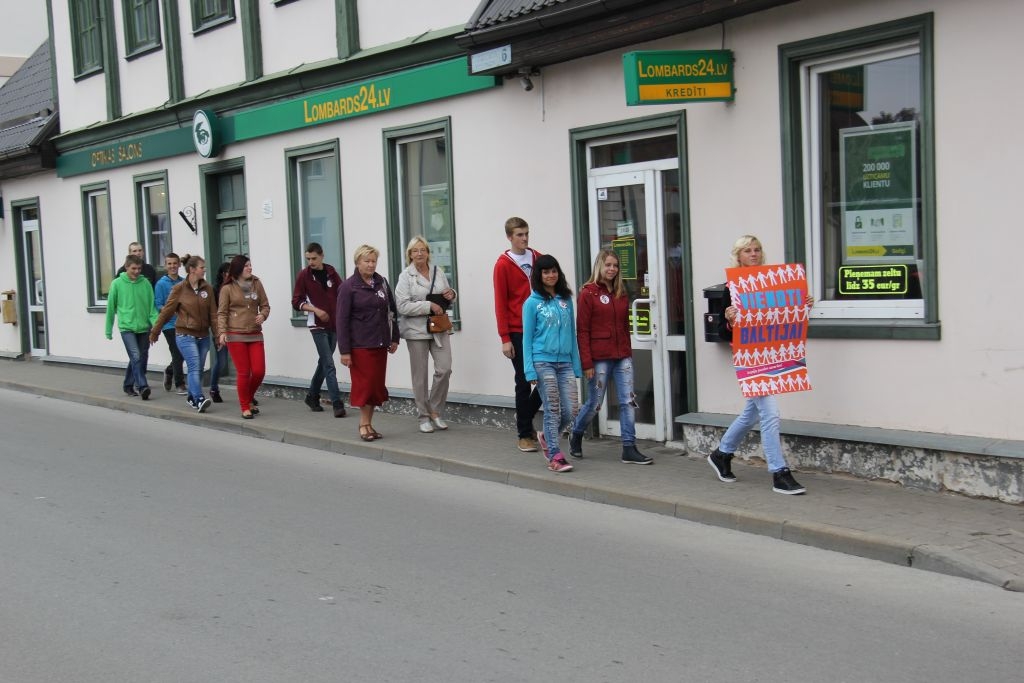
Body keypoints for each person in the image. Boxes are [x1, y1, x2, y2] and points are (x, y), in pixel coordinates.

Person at [707, 235, 807, 495]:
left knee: (751, 412)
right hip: (749, 358)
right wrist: (729, 319)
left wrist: (802, 305)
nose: (754, 254)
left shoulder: (774, 283)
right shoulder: (734, 287)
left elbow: (780, 317)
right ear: (738, 256)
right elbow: (724, 330)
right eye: (748, 251)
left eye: (757, 249)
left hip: (771, 353)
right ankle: (779, 471)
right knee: (770, 413)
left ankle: (722, 454)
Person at [568, 249, 652, 465]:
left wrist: (628, 353)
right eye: (608, 265)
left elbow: (625, 326)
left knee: (628, 402)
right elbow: (582, 331)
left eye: (615, 265)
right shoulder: (588, 293)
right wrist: (586, 362)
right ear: (600, 266)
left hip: (622, 355)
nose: (612, 269)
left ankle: (629, 447)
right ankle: (576, 433)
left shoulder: (620, 292)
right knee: (595, 403)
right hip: (598, 357)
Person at [522, 254, 581, 474]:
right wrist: (529, 369)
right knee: (553, 409)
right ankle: (555, 456)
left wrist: (576, 364)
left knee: (571, 409)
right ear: (539, 275)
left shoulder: (566, 300)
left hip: (565, 362)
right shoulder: (532, 303)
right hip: (542, 361)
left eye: (554, 271)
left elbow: (572, 335)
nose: (550, 275)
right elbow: (527, 339)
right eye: (546, 272)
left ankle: (547, 435)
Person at [336, 244, 399, 442]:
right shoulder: (348, 287)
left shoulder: (381, 282)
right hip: (360, 345)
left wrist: (394, 337)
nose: (371, 265)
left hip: (380, 343)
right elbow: (341, 320)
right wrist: (344, 351)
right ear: (357, 262)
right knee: (365, 386)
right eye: (367, 261)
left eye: (374, 261)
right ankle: (363, 424)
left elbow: (392, 312)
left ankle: (369, 424)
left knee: (376, 387)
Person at [395, 236, 457, 433]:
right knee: (420, 376)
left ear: (428, 252)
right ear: (410, 255)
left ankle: (436, 411)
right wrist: (428, 305)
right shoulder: (405, 276)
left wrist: (451, 295)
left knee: (444, 369)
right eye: (415, 251)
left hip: (438, 328)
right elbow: (402, 306)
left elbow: (445, 297)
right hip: (416, 330)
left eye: (423, 250)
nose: (419, 253)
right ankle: (423, 416)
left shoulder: (438, 272)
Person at [493, 216, 543, 452]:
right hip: (517, 331)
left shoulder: (538, 258)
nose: (524, 239)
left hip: (542, 328)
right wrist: (505, 338)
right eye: (519, 235)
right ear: (509, 237)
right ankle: (524, 434)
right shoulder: (503, 264)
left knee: (546, 377)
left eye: (526, 234)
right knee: (524, 381)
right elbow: (500, 303)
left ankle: (525, 417)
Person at [150, 254, 217, 413]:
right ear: (192, 270)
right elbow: (166, 312)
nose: (204, 270)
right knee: (194, 367)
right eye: (202, 268)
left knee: (199, 369)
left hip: (203, 335)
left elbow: (213, 315)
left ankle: (191, 397)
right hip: (185, 335)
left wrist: (218, 334)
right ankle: (199, 398)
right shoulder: (179, 289)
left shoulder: (207, 288)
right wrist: (155, 331)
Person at [291, 242, 347, 418]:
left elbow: (343, 292)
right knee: (329, 364)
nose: (311, 262)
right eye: (308, 259)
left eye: (314, 258)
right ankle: (337, 403)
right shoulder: (304, 276)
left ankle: (312, 396)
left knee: (324, 362)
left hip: (334, 324)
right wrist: (315, 310)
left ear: (322, 256)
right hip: (317, 325)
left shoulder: (331, 272)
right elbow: (296, 301)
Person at [217, 254, 270, 419]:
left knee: (259, 371)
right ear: (239, 269)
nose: (250, 268)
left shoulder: (257, 283)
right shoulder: (227, 288)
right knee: (244, 372)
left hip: (255, 334)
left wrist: (263, 315)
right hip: (236, 334)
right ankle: (245, 406)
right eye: (247, 265)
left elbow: (265, 305)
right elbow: (222, 313)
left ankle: (248, 397)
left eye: (250, 265)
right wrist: (222, 332)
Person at [104, 254, 158, 400]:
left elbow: (151, 308)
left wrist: (156, 325)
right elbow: (110, 308)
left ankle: (128, 385)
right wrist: (108, 330)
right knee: (136, 356)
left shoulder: (145, 284)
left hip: (143, 327)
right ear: (126, 267)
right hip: (126, 327)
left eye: (139, 268)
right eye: (133, 268)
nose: (136, 271)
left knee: (138, 357)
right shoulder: (117, 284)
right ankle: (143, 386)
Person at [154, 252, 187, 395]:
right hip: (169, 325)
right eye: (169, 264)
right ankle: (180, 384)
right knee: (177, 352)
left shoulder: (184, 282)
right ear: (165, 266)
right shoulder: (161, 284)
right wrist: (170, 310)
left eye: (175, 263)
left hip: (184, 324)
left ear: (179, 264)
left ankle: (169, 371)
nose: (172, 266)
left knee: (183, 352)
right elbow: (158, 304)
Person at [208, 261, 231, 403]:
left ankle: (248, 394)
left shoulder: (237, 287)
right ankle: (214, 388)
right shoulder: (215, 290)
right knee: (221, 362)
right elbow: (214, 315)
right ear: (224, 274)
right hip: (221, 331)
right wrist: (218, 334)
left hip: (237, 329)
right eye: (229, 272)